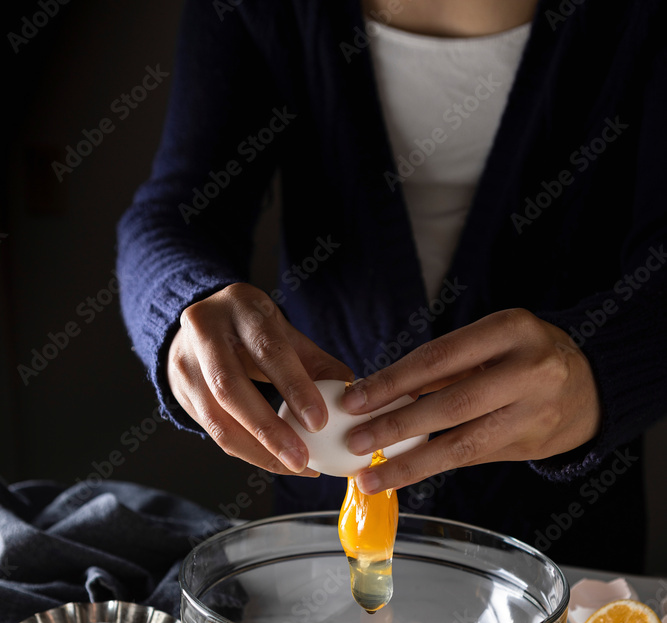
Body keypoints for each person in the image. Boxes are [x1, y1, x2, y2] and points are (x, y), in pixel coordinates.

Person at [117, 0, 667, 573]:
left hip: (565, 534)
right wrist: (183, 303)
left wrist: (598, 370)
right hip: (323, 522)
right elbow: (179, 210)